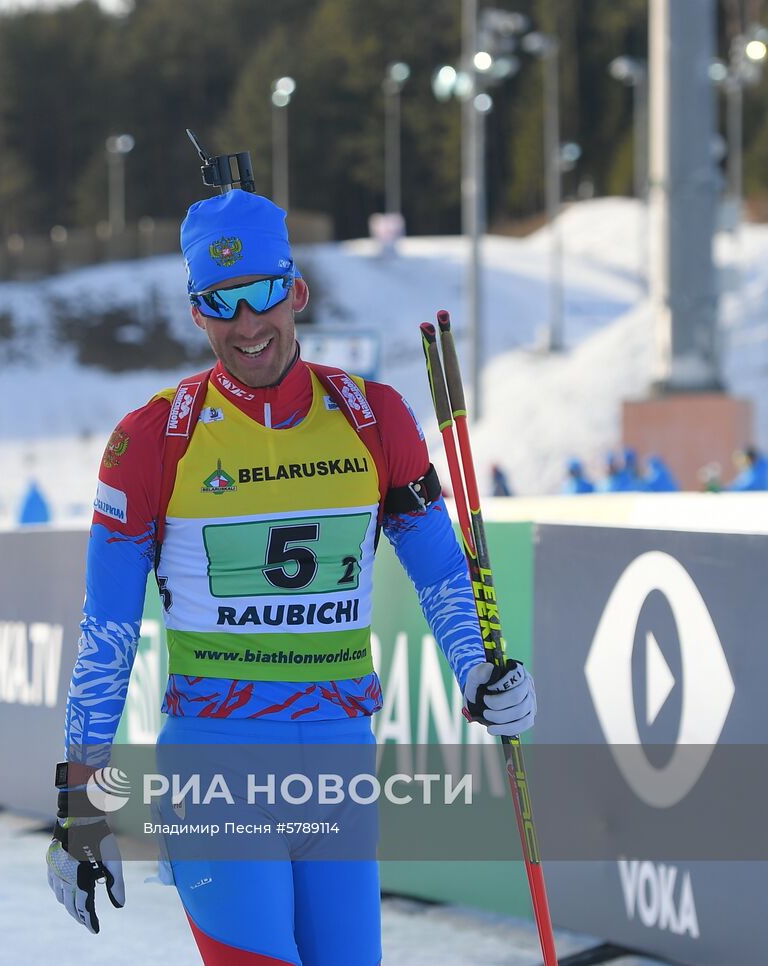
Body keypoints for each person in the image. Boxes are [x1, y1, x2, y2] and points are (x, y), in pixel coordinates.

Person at [45, 185, 536, 964]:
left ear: (296, 291)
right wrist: (82, 811)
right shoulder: (153, 438)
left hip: (340, 759)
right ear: (196, 311)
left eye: (263, 294)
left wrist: (480, 673)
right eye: (222, 302)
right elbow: (104, 638)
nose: (247, 325)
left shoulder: (374, 416)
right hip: (218, 762)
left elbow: (441, 569)